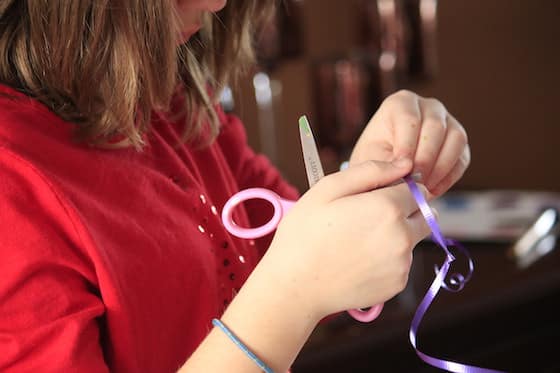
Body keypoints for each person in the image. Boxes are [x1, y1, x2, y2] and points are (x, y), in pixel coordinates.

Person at [0, 1, 470, 372]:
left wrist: (372, 180)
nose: (217, 3)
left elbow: (323, 269)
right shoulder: (12, 183)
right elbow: (296, 284)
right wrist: (292, 294)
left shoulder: (172, 107)